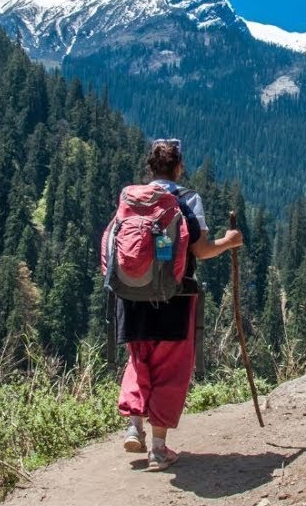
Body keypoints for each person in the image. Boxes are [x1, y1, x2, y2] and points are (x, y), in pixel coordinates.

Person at [115, 138, 242, 471]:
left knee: (138, 358)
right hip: (175, 295)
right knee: (170, 367)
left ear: (150, 168)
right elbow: (200, 250)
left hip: (131, 294)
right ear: (179, 166)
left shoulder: (131, 199)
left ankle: (133, 426)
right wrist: (229, 243)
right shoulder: (187, 199)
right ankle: (158, 449)